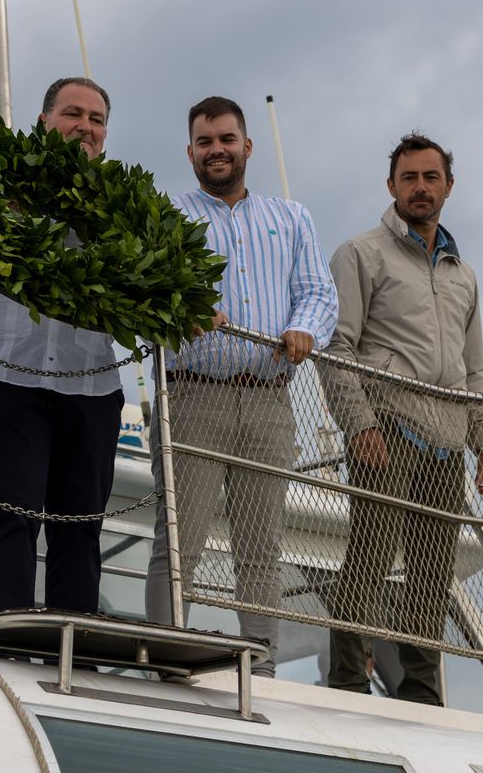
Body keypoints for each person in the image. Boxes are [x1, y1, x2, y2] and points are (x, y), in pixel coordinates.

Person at [144, 96, 338, 676]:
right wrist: (182, 306)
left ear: (247, 146)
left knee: (262, 547)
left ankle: (262, 669)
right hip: (190, 393)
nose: (217, 151)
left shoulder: (293, 217)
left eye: (226, 139)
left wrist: (304, 328)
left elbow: (319, 293)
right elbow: (146, 286)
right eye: (205, 142)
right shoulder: (165, 214)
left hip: (269, 400)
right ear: (190, 152)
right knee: (180, 542)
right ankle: (167, 660)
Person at [319, 133, 483, 705]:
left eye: (430, 177)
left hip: (448, 442)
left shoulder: (463, 274)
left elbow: (472, 368)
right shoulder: (360, 253)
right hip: (387, 429)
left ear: (449, 184)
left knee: (433, 573)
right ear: (391, 185)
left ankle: (422, 693)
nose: (420, 188)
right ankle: (349, 680)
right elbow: (337, 346)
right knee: (369, 559)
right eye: (409, 178)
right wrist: (359, 424)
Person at [0, 78, 122, 616]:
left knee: (81, 528)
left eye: (97, 118)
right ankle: (4, 648)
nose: (85, 126)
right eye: (72, 113)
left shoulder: (121, 206)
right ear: (43, 121)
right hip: (8, 376)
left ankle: (74, 649)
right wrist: (2, 207)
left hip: (94, 382)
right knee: (10, 517)